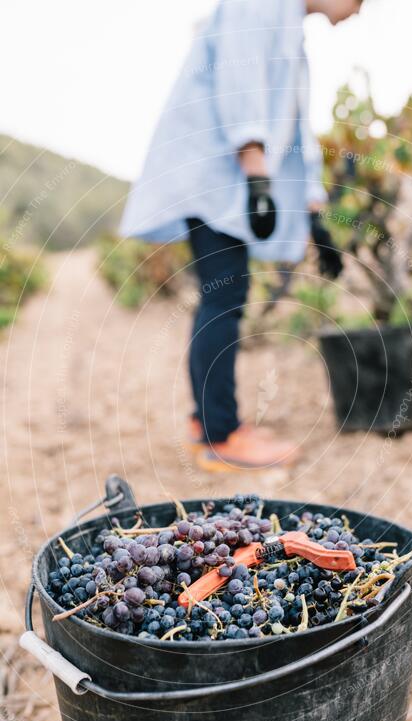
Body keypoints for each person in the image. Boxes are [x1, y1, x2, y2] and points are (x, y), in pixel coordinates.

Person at [121, 0, 364, 472]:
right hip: (216, 178)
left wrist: (313, 212)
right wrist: (255, 172)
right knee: (224, 295)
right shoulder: (260, 3)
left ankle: (208, 424)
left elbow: (293, 127)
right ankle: (220, 435)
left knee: (226, 293)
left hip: (228, 181)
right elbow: (240, 77)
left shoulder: (290, 28)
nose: (358, 11)